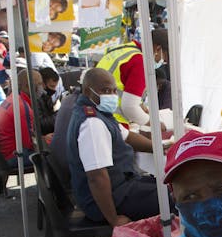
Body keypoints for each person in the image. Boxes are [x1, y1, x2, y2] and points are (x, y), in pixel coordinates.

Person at [66, 68, 169, 226]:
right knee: (174, 201)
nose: (112, 96)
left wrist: (161, 147)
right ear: (88, 91)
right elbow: (97, 177)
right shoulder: (92, 123)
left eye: (114, 91)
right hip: (108, 200)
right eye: (105, 90)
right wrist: (114, 219)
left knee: (168, 185)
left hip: (120, 186)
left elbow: (128, 136)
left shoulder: (99, 113)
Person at [95, 28, 169, 127]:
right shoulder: (140, 62)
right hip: (112, 121)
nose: (162, 63)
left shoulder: (126, 49)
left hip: (97, 115)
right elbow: (129, 107)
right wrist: (157, 125)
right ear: (158, 49)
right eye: (164, 59)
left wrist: (140, 105)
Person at [0, 69, 46, 168]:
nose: (42, 87)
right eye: (39, 84)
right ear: (28, 86)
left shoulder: (13, 99)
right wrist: (45, 141)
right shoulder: (22, 107)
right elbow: (29, 143)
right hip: (14, 156)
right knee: (54, 156)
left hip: (3, 153)